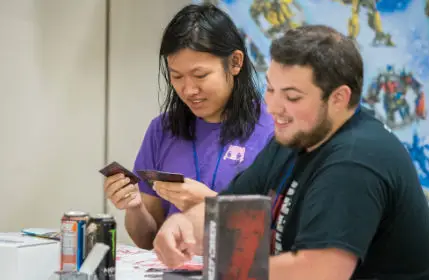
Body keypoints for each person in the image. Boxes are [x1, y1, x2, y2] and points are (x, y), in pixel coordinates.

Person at [152, 25, 429, 279]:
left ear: (338, 98)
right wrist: (183, 225)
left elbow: (322, 270)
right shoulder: (296, 136)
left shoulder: (355, 159)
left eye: (292, 96)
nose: (273, 106)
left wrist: (232, 274)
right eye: (271, 89)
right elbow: (231, 210)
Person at [103, 3, 274, 250]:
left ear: (235, 63)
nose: (189, 90)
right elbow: (147, 240)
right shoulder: (162, 129)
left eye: (201, 75)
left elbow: (280, 237)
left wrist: (209, 203)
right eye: (177, 76)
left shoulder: (272, 129)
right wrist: (134, 207)